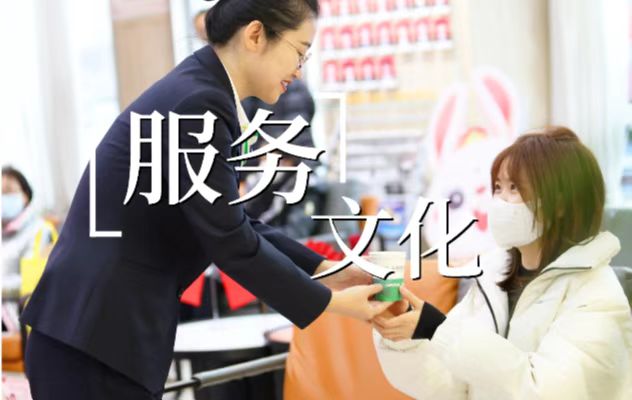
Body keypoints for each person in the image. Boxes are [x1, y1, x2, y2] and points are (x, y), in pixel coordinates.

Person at [21, 1, 390, 398]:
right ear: (255, 35)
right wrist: (337, 304)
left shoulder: (201, 92)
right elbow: (232, 243)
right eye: (299, 52)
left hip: (96, 333)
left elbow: (235, 224)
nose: (300, 70)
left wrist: (328, 270)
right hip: (94, 338)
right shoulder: (198, 103)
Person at [372, 127, 632, 399]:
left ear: (560, 203)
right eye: (498, 187)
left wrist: (438, 329)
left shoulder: (597, 296)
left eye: (514, 188)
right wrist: (405, 337)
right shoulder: (492, 278)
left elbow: (546, 391)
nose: (499, 201)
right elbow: (447, 387)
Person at [2, 167, 54, 300]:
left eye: (7, 191)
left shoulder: (41, 231)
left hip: (19, 309)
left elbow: (33, 281)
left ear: (25, 195)